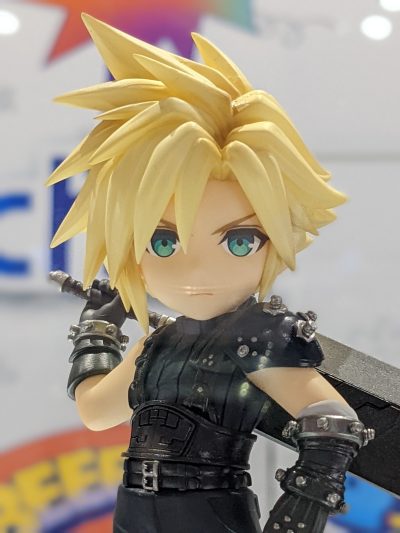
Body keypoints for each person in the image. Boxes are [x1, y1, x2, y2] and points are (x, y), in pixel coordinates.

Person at [48, 14, 374, 532]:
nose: (196, 268)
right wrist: (99, 329)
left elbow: (333, 424)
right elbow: (95, 410)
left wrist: (295, 516)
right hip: (133, 510)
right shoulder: (156, 344)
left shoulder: (256, 337)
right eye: (162, 241)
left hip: (210, 512)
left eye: (240, 241)